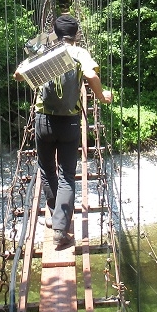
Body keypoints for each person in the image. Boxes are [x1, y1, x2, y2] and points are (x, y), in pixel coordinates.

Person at [15, 13, 112, 248]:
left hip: (43, 121)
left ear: (55, 33)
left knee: (47, 169)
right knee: (67, 174)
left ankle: (54, 211)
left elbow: (18, 76)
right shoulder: (79, 53)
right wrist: (101, 95)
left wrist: (39, 49)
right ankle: (60, 229)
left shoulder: (44, 51)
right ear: (76, 34)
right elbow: (90, 74)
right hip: (69, 122)